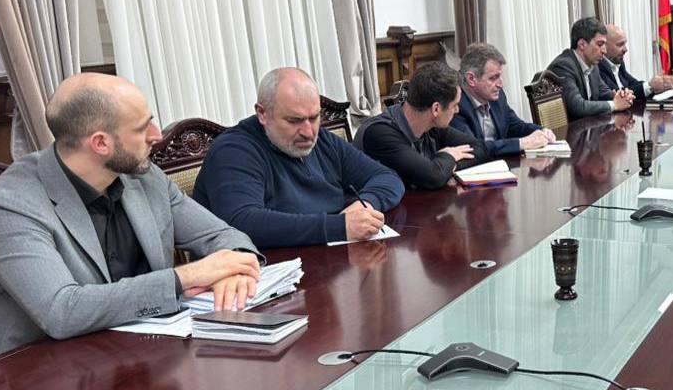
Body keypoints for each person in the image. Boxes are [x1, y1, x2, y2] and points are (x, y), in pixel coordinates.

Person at [0, 73, 262, 359]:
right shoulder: (12, 205)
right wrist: (185, 277)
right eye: (142, 127)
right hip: (35, 369)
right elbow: (62, 311)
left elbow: (221, 235)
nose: (157, 135)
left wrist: (235, 271)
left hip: (141, 352)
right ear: (101, 143)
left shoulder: (143, 175)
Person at [194, 67, 403, 248]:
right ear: (262, 114)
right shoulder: (234, 151)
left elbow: (387, 177)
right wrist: (339, 227)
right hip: (268, 269)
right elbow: (243, 221)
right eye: (294, 120)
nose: (308, 132)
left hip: (333, 258)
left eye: (314, 117)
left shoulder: (322, 140)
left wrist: (366, 203)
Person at [356, 61, 490, 190]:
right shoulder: (379, 133)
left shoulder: (432, 125)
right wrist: (447, 158)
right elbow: (434, 177)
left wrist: (445, 167)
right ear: (436, 109)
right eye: (454, 105)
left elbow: (479, 148)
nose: (457, 110)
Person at [450, 42, 555, 157]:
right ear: (471, 79)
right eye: (493, 78)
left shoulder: (497, 97)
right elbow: (474, 148)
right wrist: (521, 143)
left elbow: (515, 126)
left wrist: (541, 131)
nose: (500, 84)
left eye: (500, 76)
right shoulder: (455, 106)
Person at [548, 17, 634, 119]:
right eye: (600, 44)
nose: (604, 51)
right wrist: (614, 105)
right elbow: (578, 106)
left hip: (588, 126)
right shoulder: (563, 66)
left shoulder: (592, 66)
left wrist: (623, 96)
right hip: (570, 128)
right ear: (582, 44)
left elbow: (604, 93)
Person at [598, 23, 673, 102]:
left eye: (625, 44)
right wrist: (650, 86)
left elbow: (633, 84)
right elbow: (617, 94)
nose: (625, 49)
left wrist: (657, 87)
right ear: (604, 45)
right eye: (620, 45)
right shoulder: (597, 67)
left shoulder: (618, 61)